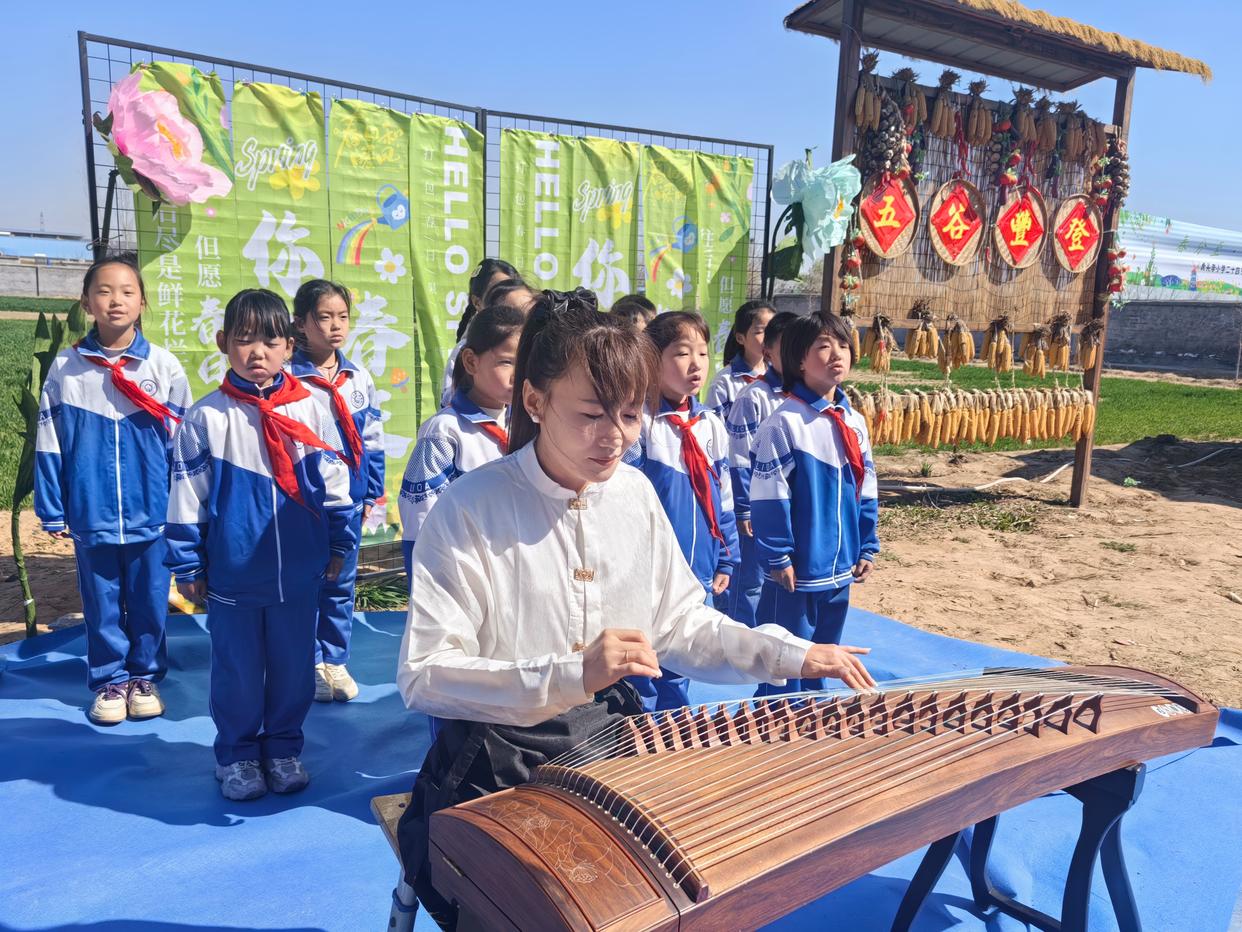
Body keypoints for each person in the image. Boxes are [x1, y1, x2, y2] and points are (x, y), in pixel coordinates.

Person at [394, 289, 874, 929]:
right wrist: (569, 675)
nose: (614, 437)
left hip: (610, 748)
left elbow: (681, 625)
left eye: (629, 414)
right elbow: (424, 674)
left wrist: (792, 654)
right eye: (591, 414)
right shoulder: (471, 509)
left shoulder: (634, 493)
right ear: (534, 402)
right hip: (499, 765)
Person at [166, 289, 356, 801]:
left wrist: (340, 542)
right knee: (238, 673)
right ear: (223, 342)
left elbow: (336, 482)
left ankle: (283, 748)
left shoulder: (313, 410)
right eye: (244, 340)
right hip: (233, 577)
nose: (257, 352)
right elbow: (187, 498)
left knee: (294, 669)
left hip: (299, 575)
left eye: (271, 340)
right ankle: (238, 755)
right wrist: (188, 564)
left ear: (290, 344)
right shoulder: (206, 418)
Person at [34, 253, 191, 725]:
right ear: (86, 303)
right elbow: (49, 441)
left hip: (153, 510)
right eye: (104, 291)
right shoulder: (67, 368)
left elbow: (184, 446)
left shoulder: (164, 366)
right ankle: (109, 680)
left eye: (126, 291)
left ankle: (144, 676)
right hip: (90, 510)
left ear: (142, 302)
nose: (115, 300)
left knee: (149, 597)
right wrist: (54, 507)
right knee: (100, 600)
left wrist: (183, 505)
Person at [751, 312, 880, 695]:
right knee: (785, 658)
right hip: (798, 570)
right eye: (823, 346)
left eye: (843, 345)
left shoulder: (853, 421)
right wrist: (778, 555)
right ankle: (774, 726)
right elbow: (769, 495)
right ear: (799, 360)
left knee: (826, 654)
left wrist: (867, 543)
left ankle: (809, 722)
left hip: (840, 568)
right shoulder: (785, 423)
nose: (837, 354)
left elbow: (866, 487)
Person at [622, 311, 739, 710]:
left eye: (703, 354)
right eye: (682, 354)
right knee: (644, 665)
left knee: (685, 660)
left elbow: (722, 496)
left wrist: (727, 554)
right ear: (652, 360)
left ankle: (672, 744)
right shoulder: (639, 426)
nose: (696, 365)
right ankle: (634, 741)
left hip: (699, 571)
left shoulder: (709, 424)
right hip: (647, 574)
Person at [290, 279, 385, 704]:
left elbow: (373, 437)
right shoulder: (288, 377)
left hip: (349, 497)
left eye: (342, 317)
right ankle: (307, 661)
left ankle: (335, 658)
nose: (335, 326)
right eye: (324, 317)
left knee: (341, 581)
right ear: (300, 324)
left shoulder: (357, 376)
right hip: (304, 502)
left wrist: (371, 490)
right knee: (307, 580)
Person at [400, 304, 525, 580]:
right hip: (462, 572)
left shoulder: (529, 424)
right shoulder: (444, 431)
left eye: (525, 362)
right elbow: (421, 515)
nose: (519, 374)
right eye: (506, 362)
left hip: (512, 572)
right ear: (471, 362)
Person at [724, 310, 799, 626]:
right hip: (758, 505)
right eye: (788, 347)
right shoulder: (753, 397)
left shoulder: (806, 398)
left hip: (792, 508)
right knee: (751, 580)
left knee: (787, 581)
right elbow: (738, 458)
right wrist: (744, 510)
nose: (797, 355)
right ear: (768, 352)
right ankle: (742, 641)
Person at [439, 259, 519, 408]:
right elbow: (451, 404)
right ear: (477, 302)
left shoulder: (531, 340)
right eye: (499, 294)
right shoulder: (466, 349)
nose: (509, 300)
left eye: (513, 291)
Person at [704, 299, 776, 419]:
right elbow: (716, 429)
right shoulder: (724, 382)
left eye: (773, 331)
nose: (769, 337)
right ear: (740, 338)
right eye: (760, 331)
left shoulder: (782, 375)